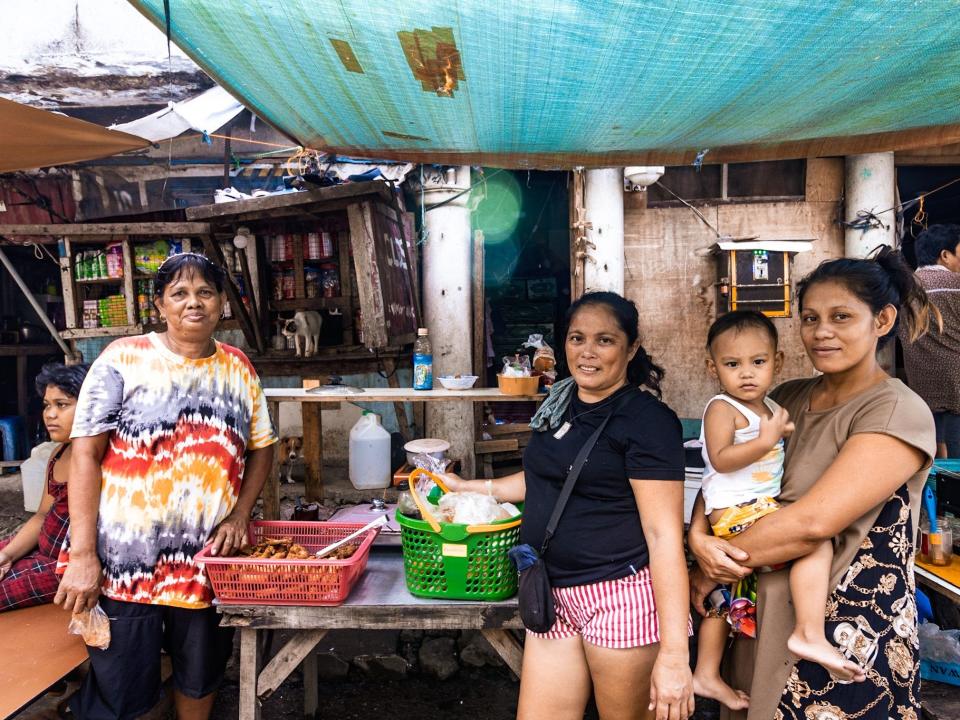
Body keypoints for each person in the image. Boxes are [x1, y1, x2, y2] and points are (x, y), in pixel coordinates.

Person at [688, 248, 937, 720]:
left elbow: (811, 523)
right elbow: (724, 473)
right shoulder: (784, 398)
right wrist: (699, 536)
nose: (821, 332)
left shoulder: (894, 410)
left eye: (841, 317)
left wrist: (712, 567)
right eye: (810, 318)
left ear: (882, 320)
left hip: (845, 628)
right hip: (759, 613)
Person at [444, 291, 694, 720]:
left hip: (620, 595)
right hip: (552, 591)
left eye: (605, 340)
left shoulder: (646, 421)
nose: (587, 352)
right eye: (577, 338)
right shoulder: (560, 403)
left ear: (631, 347)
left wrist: (674, 654)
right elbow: (545, 481)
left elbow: (663, 535)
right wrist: (470, 487)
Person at [55, 252, 277, 720]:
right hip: (126, 564)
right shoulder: (123, 359)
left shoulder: (238, 368)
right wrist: (82, 553)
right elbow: (86, 455)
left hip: (205, 564)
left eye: (205, 292)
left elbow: (262, 446)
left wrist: (240, 515)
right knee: (121, 690)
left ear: (221, 304)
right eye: (179, 293)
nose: (192, 303)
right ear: (159, 305)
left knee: (201, 675)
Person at [692, 311, 865, 713]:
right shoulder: (723, 407)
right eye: (732, 364)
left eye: (758, 362)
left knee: (726, 594)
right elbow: (720, 459)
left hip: (749, 508)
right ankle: (808, 631)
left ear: (778, 362)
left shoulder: (771, 404)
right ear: (712, 367)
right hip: (735, 511)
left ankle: (705, 672)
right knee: (815, 544)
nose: (746, 373)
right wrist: (766, 439)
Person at [0, 363, 89, 611]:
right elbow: (41, 514)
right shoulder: (58, 455)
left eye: (61, 405)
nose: (50, 414)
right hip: (40, 547)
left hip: (63, 565)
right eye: (47, 405)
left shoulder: (103, 460)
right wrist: (8, 555)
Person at [900, 223, 960, 457]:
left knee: (931, 451)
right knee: (957, 456)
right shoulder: (957, 285)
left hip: (920, 383)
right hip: (957, 384)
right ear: (945, 255)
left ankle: (931, 491)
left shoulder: (905, 288)